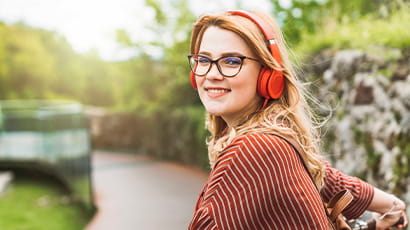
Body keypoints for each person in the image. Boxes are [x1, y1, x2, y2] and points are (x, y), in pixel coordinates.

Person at [186, 10, 408, 229]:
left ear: (268, 74)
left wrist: (389, 207)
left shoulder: (254, 148)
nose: (211, 74)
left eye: (232, 61)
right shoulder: (276, 139)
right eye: (203, 60)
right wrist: (392, 206)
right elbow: (325, 177)